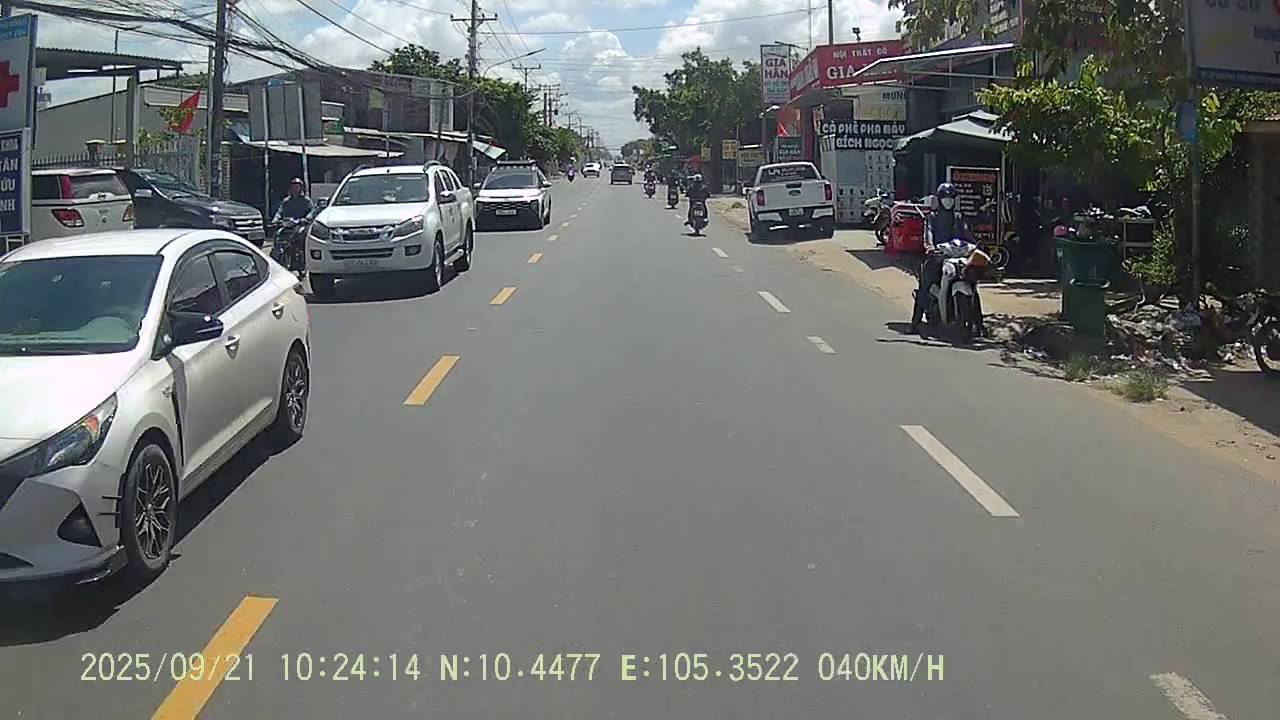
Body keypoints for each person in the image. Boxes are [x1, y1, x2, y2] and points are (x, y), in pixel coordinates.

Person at [910, 182, 976, 334]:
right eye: (945, 198)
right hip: (937, 257)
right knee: (925, 286)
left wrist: (975, 246)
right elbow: (928, 234)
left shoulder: (958, 217)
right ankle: (915, 322)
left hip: (956, 256)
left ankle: (979, 323)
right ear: (939, 199)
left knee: (972, 282)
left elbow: (967, 234)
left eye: (951, 198)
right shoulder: (932, 217)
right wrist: (930, 247)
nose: (948, 201)